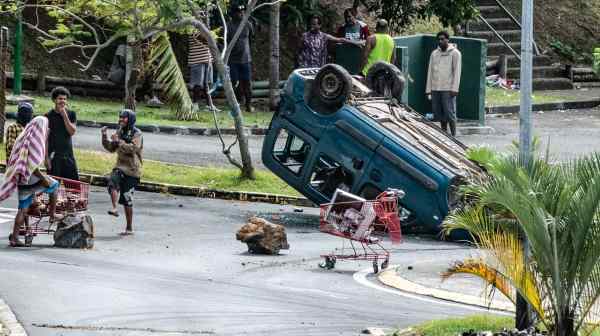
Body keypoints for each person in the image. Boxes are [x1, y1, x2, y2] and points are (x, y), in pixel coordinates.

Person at [0, 116, 62, 247]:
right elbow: (32, 166)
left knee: (23, 209)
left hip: (22, 179)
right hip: (31, 178)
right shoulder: (35, 141)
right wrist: (44, 178)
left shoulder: (24, 138)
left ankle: (15, 238)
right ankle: (52, 214)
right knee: (54, 185)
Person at [101, 109, 143, 236]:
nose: (121, 120)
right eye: (120, 117)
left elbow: (133, 149)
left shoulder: (137, 133)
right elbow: (111, 148)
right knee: (112, 182)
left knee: (127, 199)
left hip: (132, 170)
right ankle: (114, 208)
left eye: (123, 118)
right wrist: (104, 136)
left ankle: (129, 228)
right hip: (120, 166)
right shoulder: (120, 131)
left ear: (130, 119)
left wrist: (119, 141)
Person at [426, 31, 462, 136]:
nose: (440, 41)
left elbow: (457, 72)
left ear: (447, 40)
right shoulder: (434, 54)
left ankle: (454, 134)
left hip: (448, 88)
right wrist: (428, 89)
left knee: (449, 112)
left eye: (442, 39)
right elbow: (430, 72)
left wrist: (455, 88)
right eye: (439, 39)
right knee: (438, 113)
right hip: (435, 88)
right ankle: (444, 134)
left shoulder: (455, 53)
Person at [297, 16, 361, 69]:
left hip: (318, 68)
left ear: (320, 25)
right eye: (311, 24)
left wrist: (356, 43)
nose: (312, 26)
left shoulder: (324, 36)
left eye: (314, 24)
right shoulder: (304, 36)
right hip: (305, 67)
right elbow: (298, 50)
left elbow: (341, 40)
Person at [45, 86, 79, 180]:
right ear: (54, 100)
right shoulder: (48, 116)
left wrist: (64, 115)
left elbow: (72, 132)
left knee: (73, 188)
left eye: (65, 99)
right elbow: (45, 139)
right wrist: (46, 158)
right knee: (53, 187)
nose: (62, 101)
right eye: (60, 98)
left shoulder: (71, 114)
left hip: (68, 156)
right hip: (54, 157)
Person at [227, 4, 254, 113]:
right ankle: (237, 104)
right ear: (233, 14)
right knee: (235, 83)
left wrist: (246, 51)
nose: (241, 13)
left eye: (242, 11)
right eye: (238, 12)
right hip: (233, 60)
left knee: (247, 82)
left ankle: (248, 104)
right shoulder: (228, 26)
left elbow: (251, 39)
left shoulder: (248, 25)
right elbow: (222, 42)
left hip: (245, 59)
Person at [188, 31, 214, 111]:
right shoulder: (193, 28)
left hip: (207, 59)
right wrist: (212, 37)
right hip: (197, 60)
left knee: (208, 84)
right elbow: (206, 40)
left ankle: (209, 105)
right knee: (197, 84)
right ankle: (195, 104)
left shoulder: (204, 28)